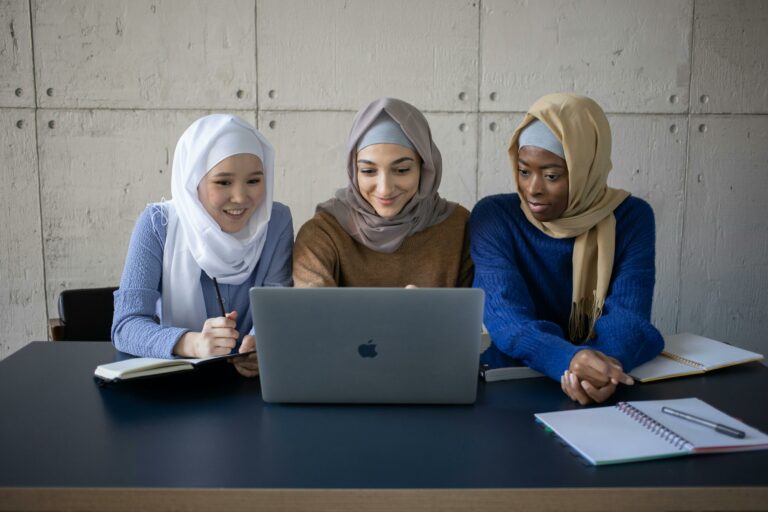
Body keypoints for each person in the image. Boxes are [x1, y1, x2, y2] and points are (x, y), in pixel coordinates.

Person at [470, 93, 664, 404]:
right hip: (513, 384)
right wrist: (570, 361)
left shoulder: (631, 217)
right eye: (523, 171)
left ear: (586, 168)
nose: (532, 188)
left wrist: (606, 367)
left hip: (601, 380)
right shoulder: (494, 216)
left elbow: (629, 313)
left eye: (551, 175)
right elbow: (505, 316)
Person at [112, 114, 293, 377]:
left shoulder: (276, 221)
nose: (241, 197)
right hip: (176, 388)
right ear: (192, 181)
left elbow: (279, 306)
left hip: (251, 389)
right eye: (223, 182)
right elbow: (126, 326)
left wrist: (262, 344)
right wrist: (192, 342)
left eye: (254, 180)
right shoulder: (157, 224)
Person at [292, 97, 473, 287]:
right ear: (354, 171)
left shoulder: (459, 226)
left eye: (402, 170)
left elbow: (476, 312)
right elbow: (312, 313)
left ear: (425, 168)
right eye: (368, 171)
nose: (385, 189)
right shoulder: (324, 232)